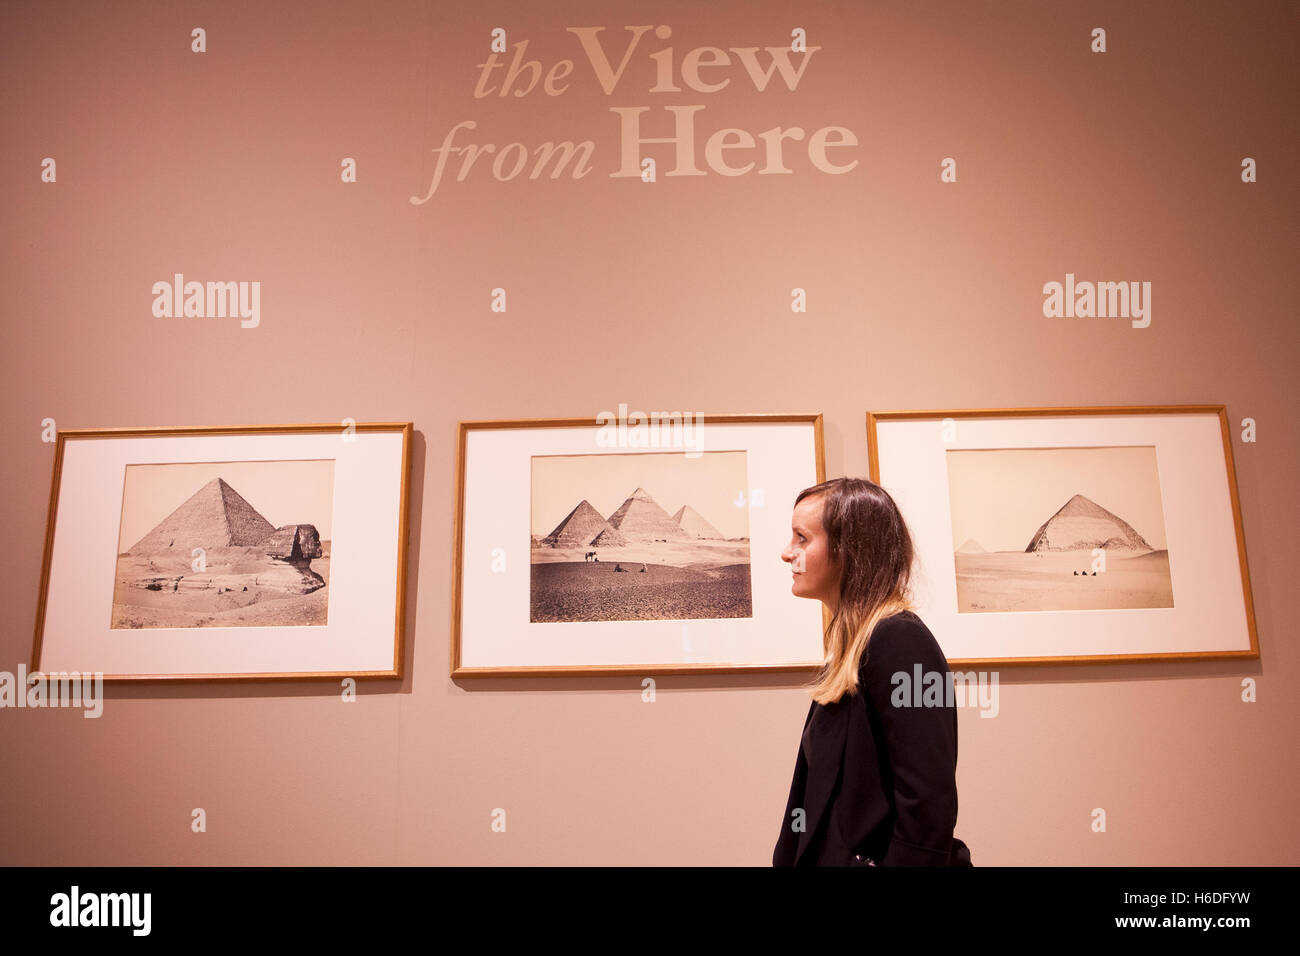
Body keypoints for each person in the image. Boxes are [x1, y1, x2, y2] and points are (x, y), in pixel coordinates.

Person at [772, 477, 970, 866]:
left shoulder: (901, 643)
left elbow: (927, 808)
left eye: (801, 538)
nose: (786, 552)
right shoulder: (856, 644)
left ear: (850, 550)